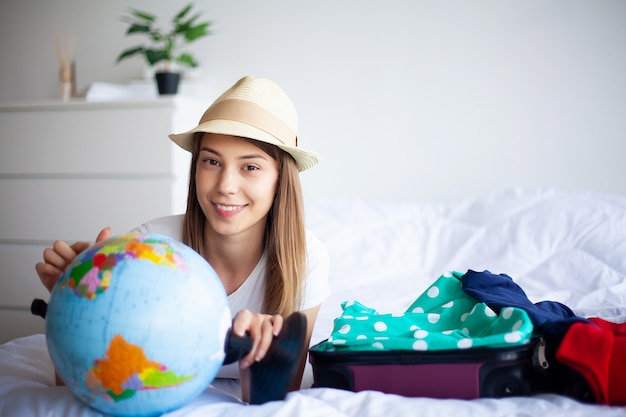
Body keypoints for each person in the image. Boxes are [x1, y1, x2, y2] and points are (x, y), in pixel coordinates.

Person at [35, 75, 331, 402]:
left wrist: (256, 369)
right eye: (212, 161)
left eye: (250, 167)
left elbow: (277, 399)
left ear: (281, 179)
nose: (225, 185)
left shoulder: (305, 258)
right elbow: (79, 385)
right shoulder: (149, 246)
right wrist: (72, 310)